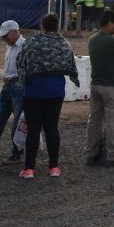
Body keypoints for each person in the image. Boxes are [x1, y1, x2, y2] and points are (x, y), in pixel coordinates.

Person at [16, 14, 78, 179]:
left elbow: (20, 62)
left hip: (34, 91)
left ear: (42, 27)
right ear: (57, 26)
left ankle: (29, 169)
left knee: (34, 129)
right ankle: (54, 167)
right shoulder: (64, 43)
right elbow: (71, 65)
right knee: (52, 128)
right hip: (56, 91)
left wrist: (22, 80)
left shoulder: (32, 41)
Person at [86, 10, 114, 167]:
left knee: (94, 120)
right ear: (110, 23)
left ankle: (91, 154)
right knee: (113, 122)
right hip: (113, 86)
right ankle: (112, 156)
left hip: (95, 84)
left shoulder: (92, 40)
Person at [0, 20, 25, 164]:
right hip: (8, 85)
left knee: (17, 122)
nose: (3, 39)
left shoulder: (24, 46)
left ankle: (16, 153)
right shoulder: (12, 45)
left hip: (18, 85)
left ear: (15, 32)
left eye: (5, 36)